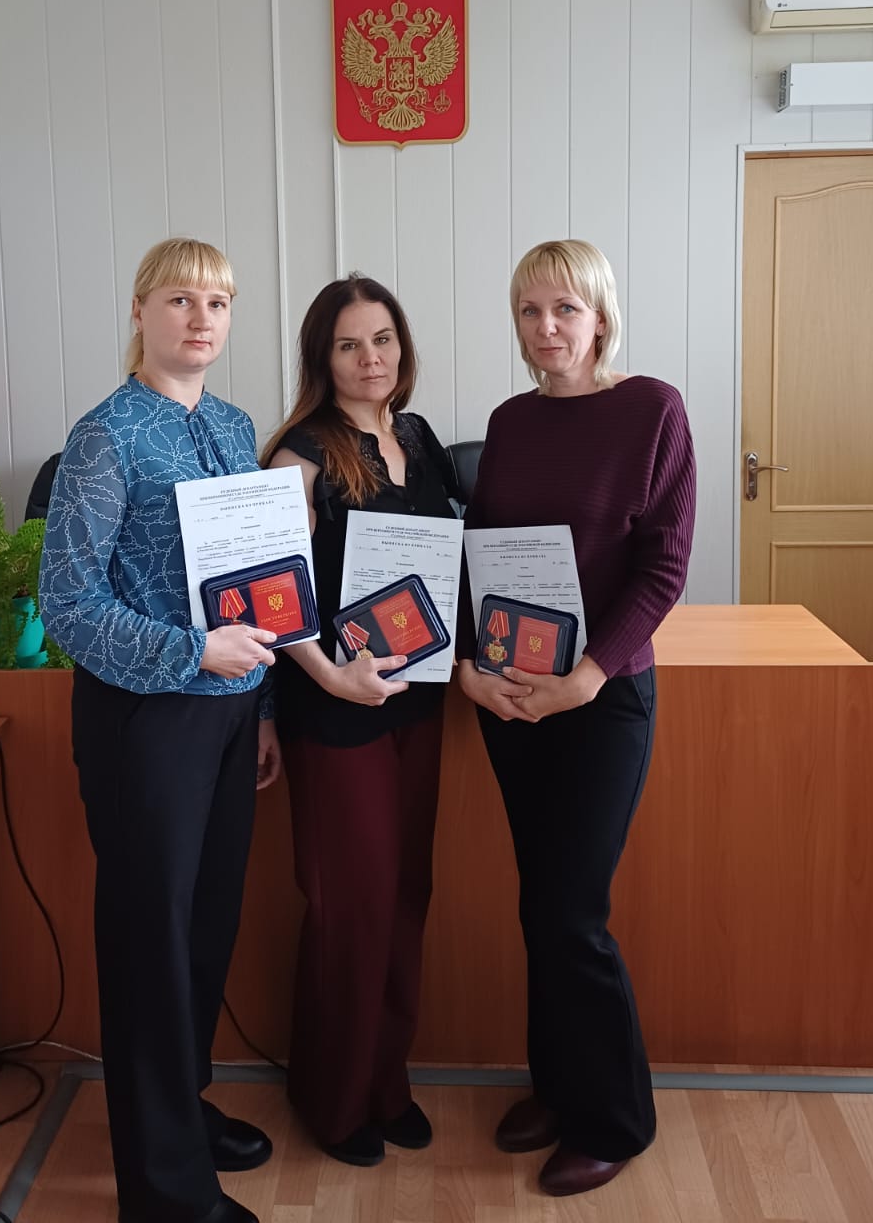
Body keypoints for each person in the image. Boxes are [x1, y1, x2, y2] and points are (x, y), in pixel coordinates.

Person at [39, 237, 281, 1223]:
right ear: (140, 311)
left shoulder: (232, 422)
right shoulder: (106, 436)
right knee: (150, 941)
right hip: (146, 718)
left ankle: (178, 1112)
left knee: (206, 927)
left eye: (217, 301)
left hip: (230, 715)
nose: (201, 318)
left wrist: (261, 707)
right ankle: (166, 1191)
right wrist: (192, 654)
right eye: (180, 299)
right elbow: (67, 601)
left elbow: (258, 580)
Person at [456, 239, 695, 1200]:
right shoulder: (510, 422)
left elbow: (664, 568)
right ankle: (558, 1089)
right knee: (539, 904)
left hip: (601, 698)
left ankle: (615, 1120)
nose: (546, 328)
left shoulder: (652, 409)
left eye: (565, 309)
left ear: (600, 316)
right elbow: (483, 550)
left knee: (572, 912)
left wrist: (590, 676)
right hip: (517, 695)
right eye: (529, 310)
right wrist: (472, 667)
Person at [260, 274, 458, 1167]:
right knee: (352, 904)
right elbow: (270, 594)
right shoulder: (298, 456)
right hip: (335, 706)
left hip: (421, 702)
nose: (370, 358)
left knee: (407, 894)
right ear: (322, 358)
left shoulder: (419, 439)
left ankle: (386, 1082)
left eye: (382, 339)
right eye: (349, 345)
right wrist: (329, 677)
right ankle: (334, 1100)